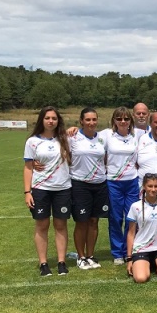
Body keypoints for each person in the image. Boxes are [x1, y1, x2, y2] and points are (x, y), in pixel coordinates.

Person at [23, 106, 72, 276]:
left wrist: (74, 129)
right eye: (47, 118)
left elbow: (81, 136)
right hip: (40, 189)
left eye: (54, 118)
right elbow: (28, 168)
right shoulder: (32, 142)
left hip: (63, 188)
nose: (51, 121)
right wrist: (27, 192)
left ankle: (61, 262)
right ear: (42, 120)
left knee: (61, 224)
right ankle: (43, 264)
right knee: (42, 225)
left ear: (58, 121)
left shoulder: (65, 139)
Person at [99, 107, 141, 265]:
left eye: (126, 119)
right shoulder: (106, 135)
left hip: (132, 182)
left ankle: (128, 250)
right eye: (119, 118)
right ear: (114, 121)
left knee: (131, 219)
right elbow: (87, 135)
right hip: (113, 182)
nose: (123, 122)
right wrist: (72, 129)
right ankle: (117, 253)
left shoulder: (137, 135)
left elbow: (154, 130)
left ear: (130, 121)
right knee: (116, 218)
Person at [69, 107, 108, 270]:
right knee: (81, 222)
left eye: (94, 119)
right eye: (88, 120)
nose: (91, 123)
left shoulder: (103, 138)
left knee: (94, 221)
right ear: (81, 121)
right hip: (80, 184)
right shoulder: (72, 137)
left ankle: (90, 255)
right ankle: (81, 256)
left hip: (100, 184)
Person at [125, 173, 157, 283]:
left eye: (156, 186)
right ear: (144, 187)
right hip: (142, 248)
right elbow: (131, 233)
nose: (153, 189)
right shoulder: (135, 207)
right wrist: (129, 259)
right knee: (141, 278)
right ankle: (146, 263)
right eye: (150, 186)